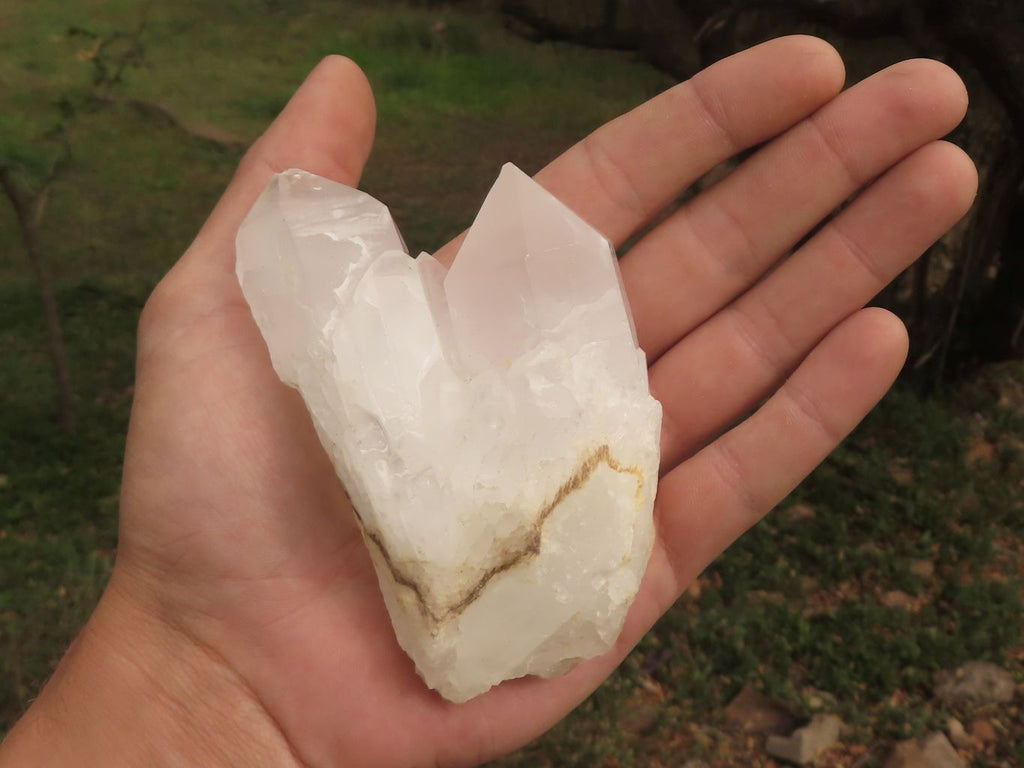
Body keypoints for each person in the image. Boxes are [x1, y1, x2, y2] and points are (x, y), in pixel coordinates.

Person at [0, 35, 975, 768]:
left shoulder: (340, 262)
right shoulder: (333, 279)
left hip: (524, 562)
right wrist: (205, 678)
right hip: (489, 579)